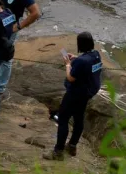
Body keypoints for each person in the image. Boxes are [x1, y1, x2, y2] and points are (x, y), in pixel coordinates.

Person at [43, 32, 102, 160]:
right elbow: (88, 64)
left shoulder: (81, 61)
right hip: (86, 94)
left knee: (63, 119)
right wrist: (75, 58)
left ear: (79, 44)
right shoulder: (96, 55)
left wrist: (68, 64)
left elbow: (70, 78)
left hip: (74, 94)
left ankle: (58, 151)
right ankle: (72, 145)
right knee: (79, 119)